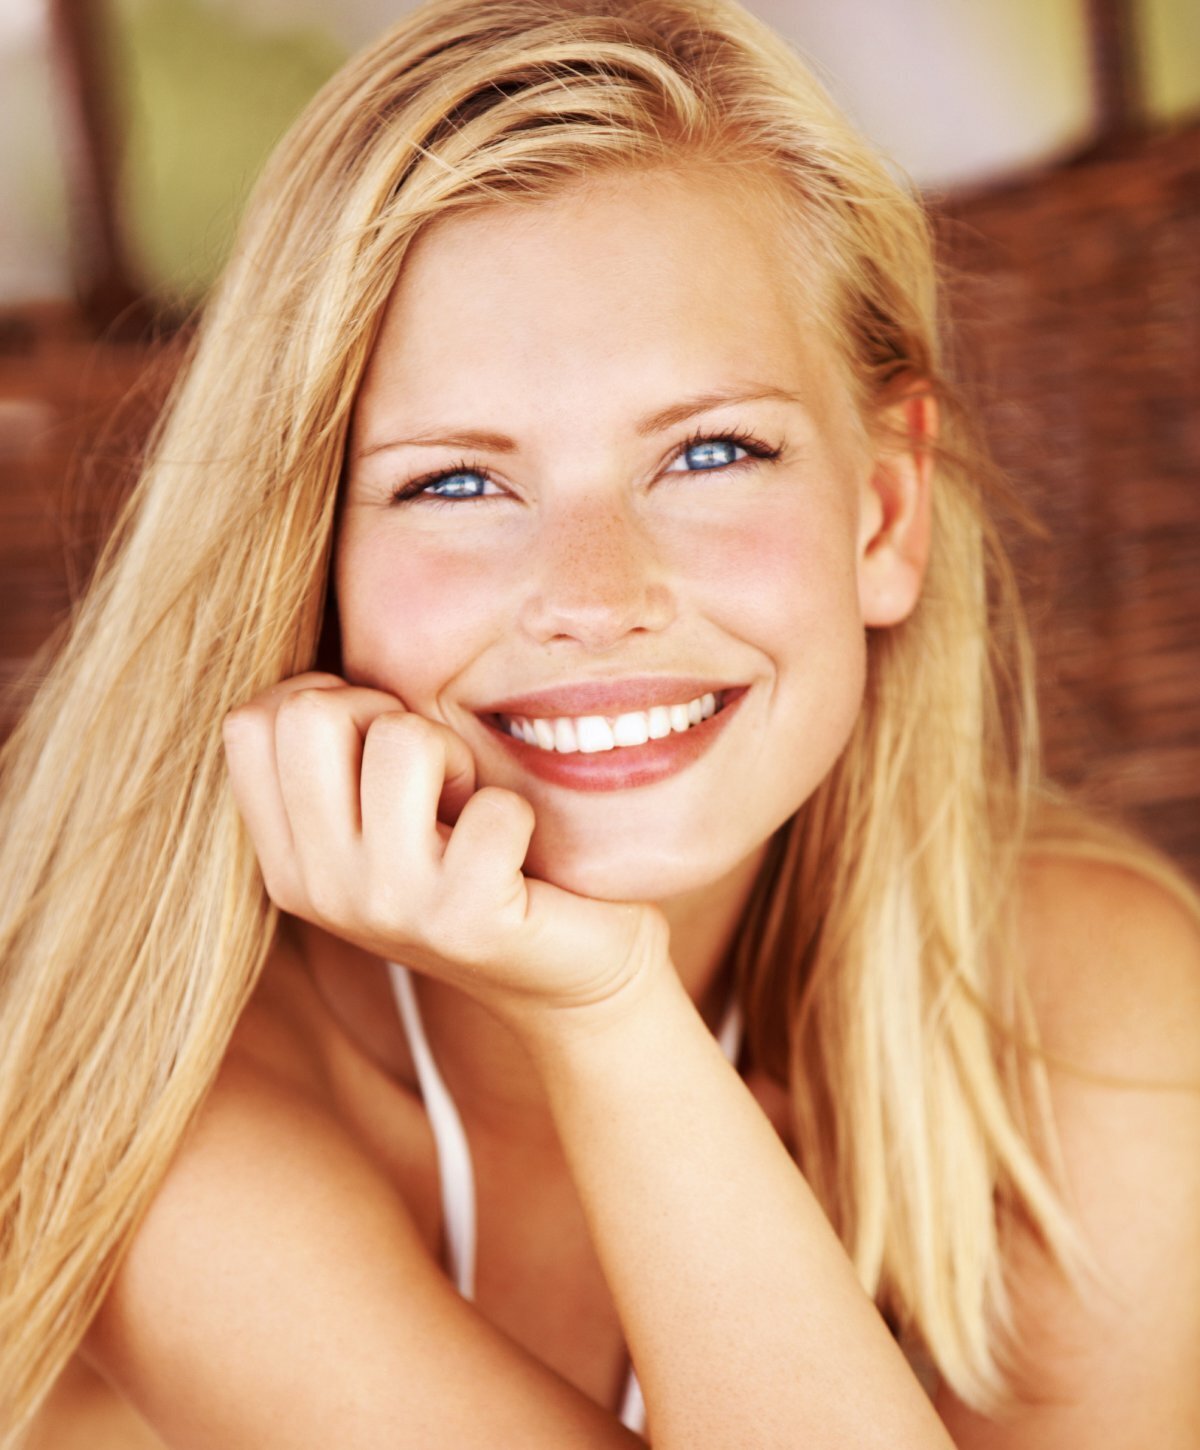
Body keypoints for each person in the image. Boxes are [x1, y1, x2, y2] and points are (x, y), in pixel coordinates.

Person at [2, 0, 1198, 1444]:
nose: (596, 596)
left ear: (882, 513)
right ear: (305, 549)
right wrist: (609, 1009)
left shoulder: (1095, 1018)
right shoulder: (172, 1116)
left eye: (710, 451)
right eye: (455, 483)